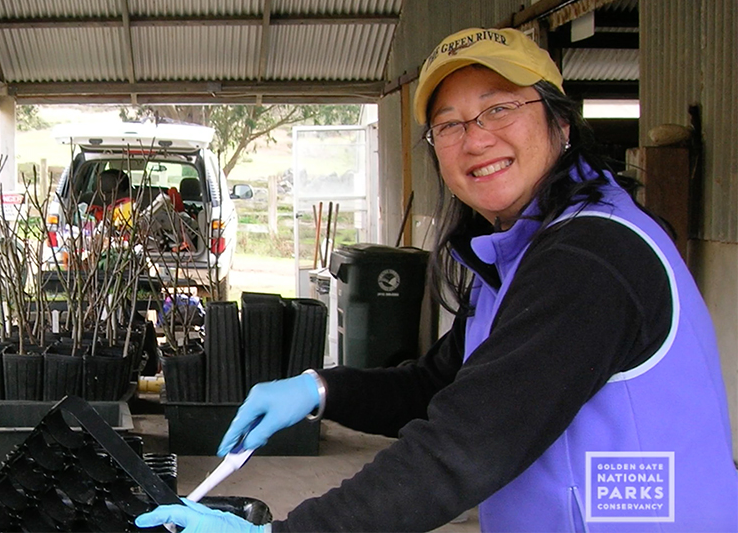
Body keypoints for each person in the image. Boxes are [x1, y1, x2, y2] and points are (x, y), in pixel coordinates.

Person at [136, 27, 738, 532]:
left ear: (561, 123)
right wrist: (320, 389)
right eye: (449, 125)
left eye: (499, 108)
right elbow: (439, 385)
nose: (476, 138)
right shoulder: (521, 254)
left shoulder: (590, 256)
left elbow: (467, 444)